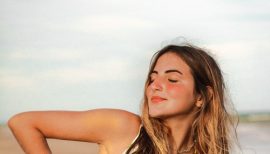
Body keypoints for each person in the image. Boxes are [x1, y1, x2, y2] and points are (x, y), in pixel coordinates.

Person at [8, 43, 238, 154]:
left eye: (172, 80)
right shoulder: (126, 129)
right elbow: (24, 122)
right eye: (152, 78)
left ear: (203, 96)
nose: (155, 86)